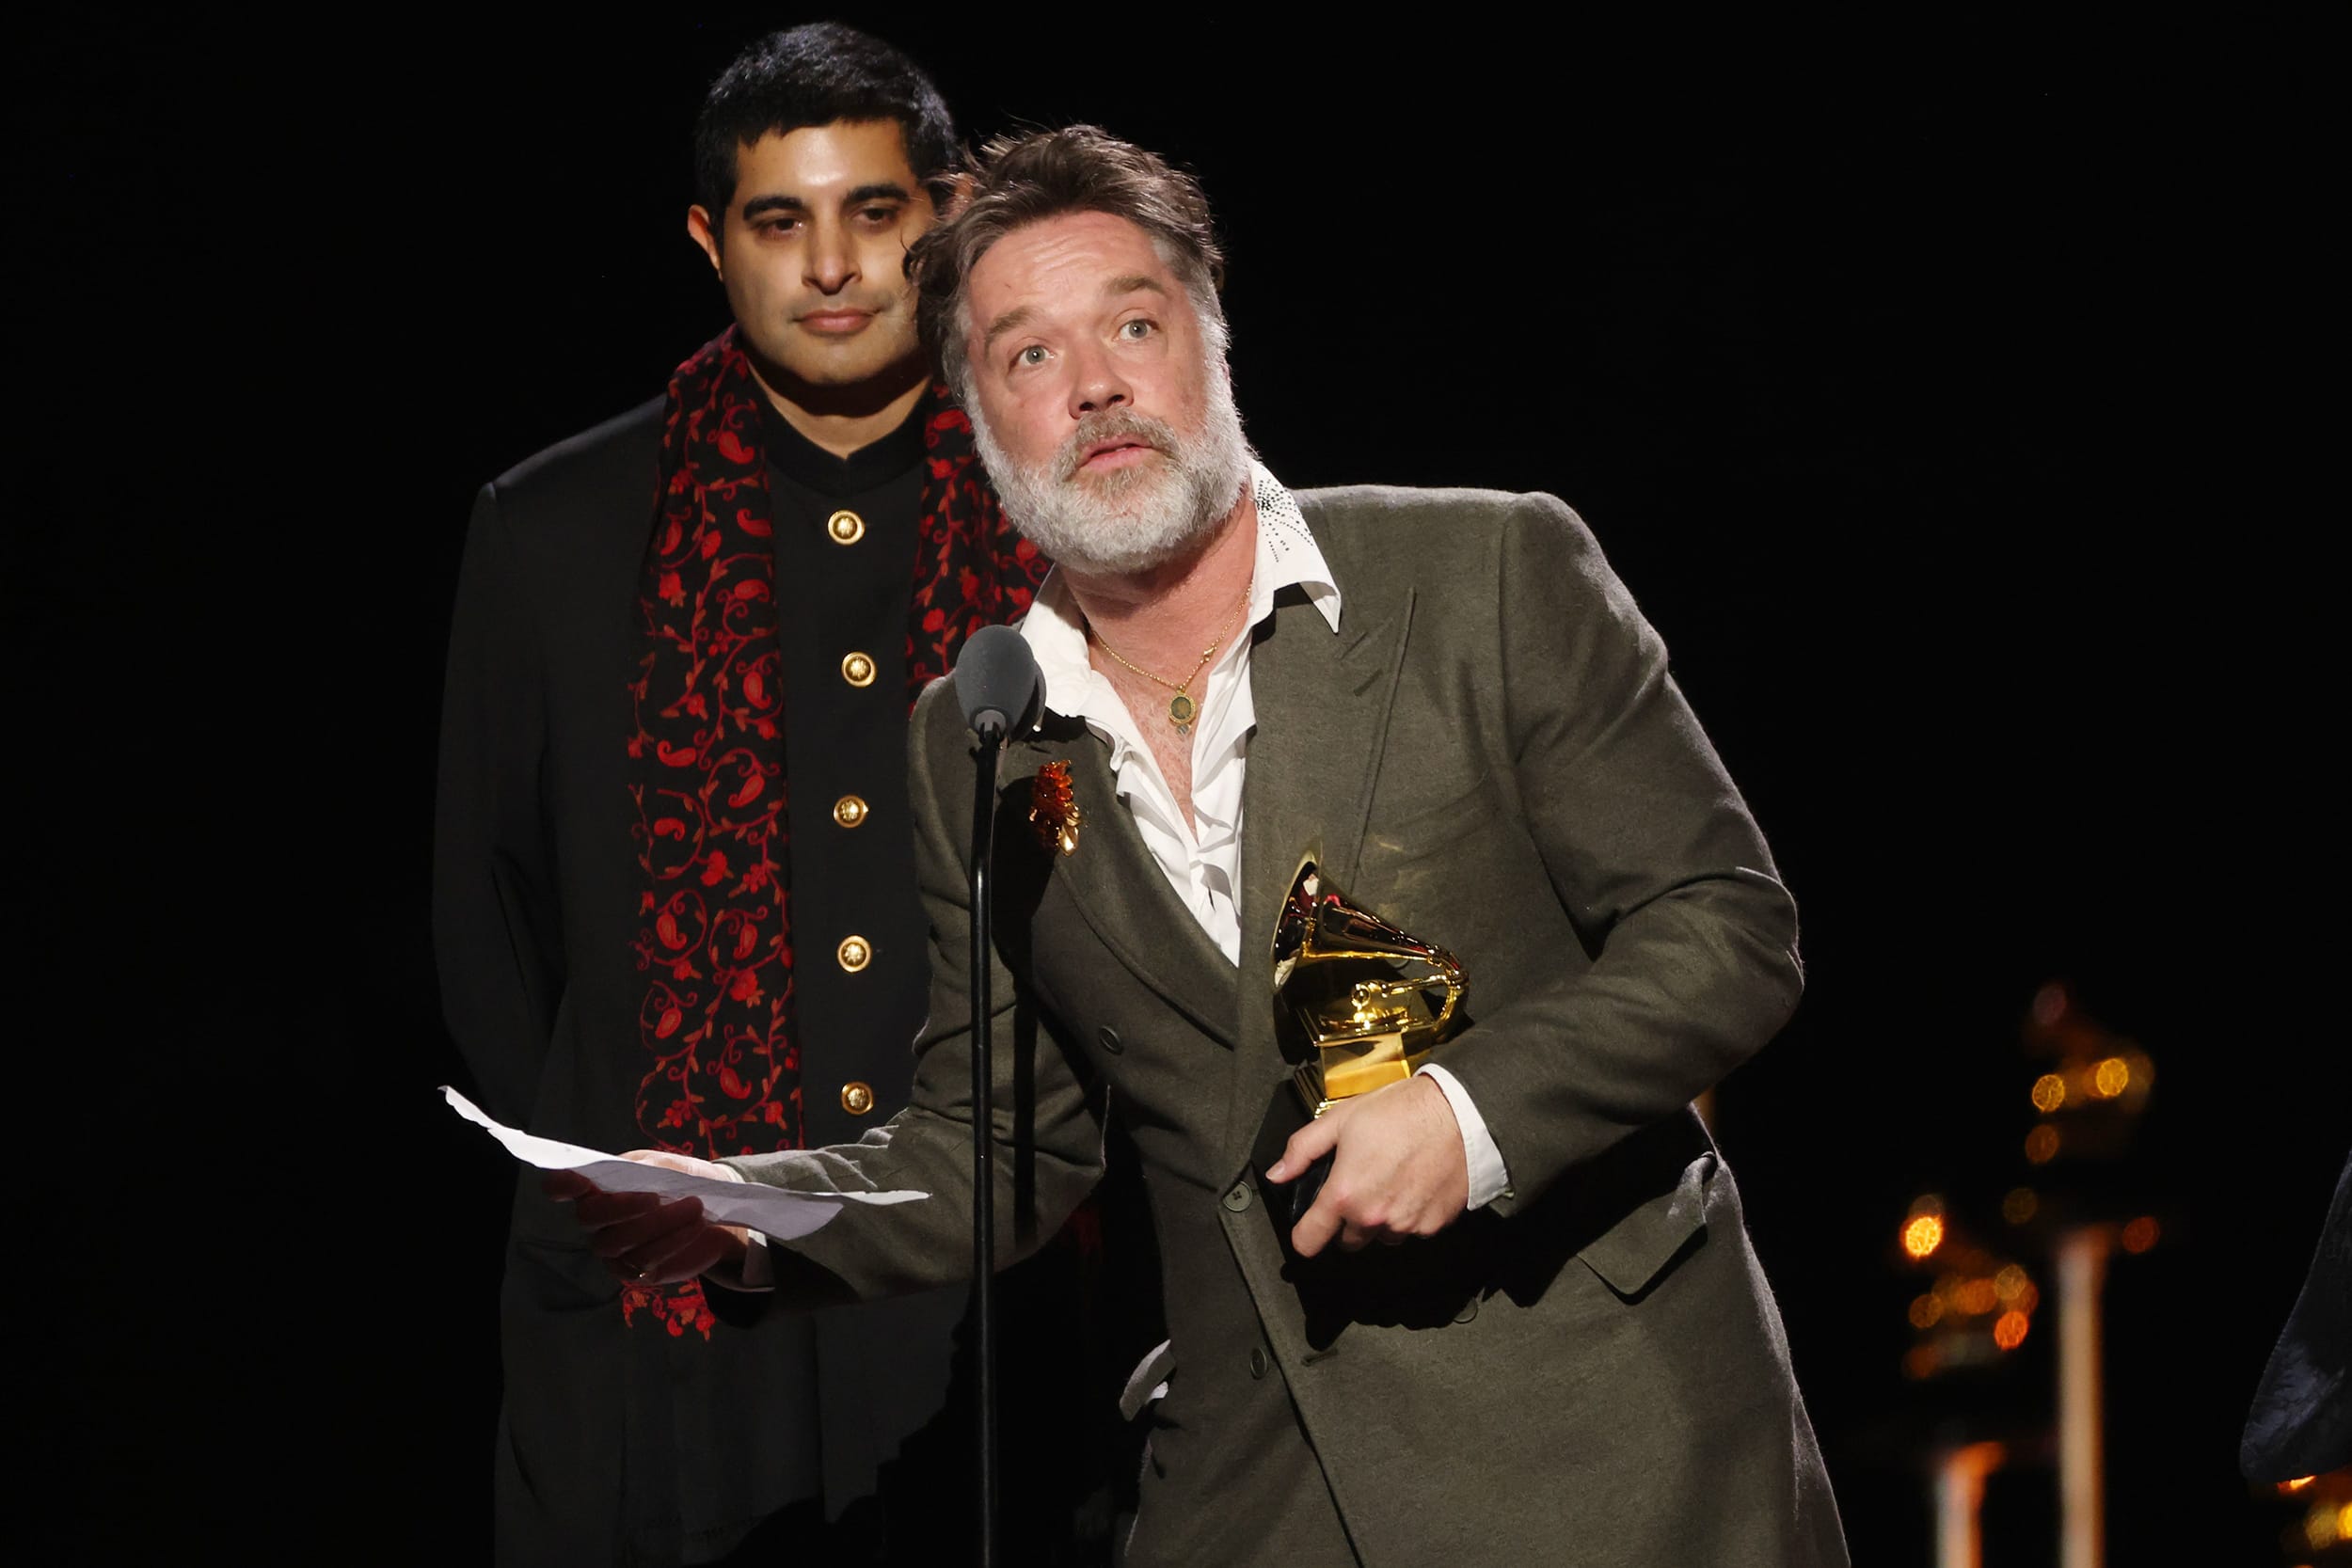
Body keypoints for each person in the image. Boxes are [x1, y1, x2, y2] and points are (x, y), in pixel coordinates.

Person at [557, 125, 1851, 1567]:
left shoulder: (1488, 573)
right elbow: (1004, 1145)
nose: (1096, 382)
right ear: (979, 424)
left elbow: (1728, 927)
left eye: (1132, 321)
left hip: (1605, 1439)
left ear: (1213, 342)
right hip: (1256, 1476)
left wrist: (1471, 1117)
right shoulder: (973, 736)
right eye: (1027, 356)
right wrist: (748, 1215)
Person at [433, 26, 1097, 1567]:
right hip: (682, 1324)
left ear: (946, 219)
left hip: (1010, 1300)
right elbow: (493, 931)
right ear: (708, 241)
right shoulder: (558, 533)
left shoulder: (1072, 504)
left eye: (876, 213)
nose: (832, 268)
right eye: (778, 221)